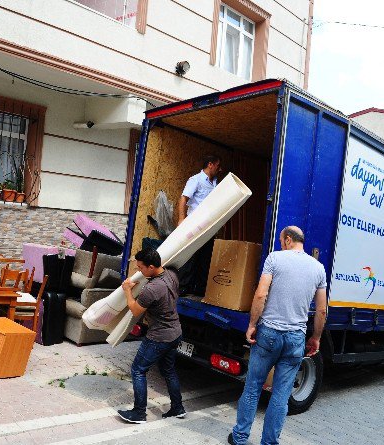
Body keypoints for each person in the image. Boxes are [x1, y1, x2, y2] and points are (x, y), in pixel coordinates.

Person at [229, 226, 328, 445]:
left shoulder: (275, 258)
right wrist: (316, 337)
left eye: (282, 240)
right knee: (281, 395)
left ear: (288, 240)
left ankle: (240, 437)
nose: (281, 244)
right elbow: (321, 310)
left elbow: (261, 293)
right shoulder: (319, 268)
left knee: (253, 386)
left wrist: (252, 324)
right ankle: (269, 442)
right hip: (295, 338)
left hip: (269, 333)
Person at [117, 248, 185, 424]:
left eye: (141, 268)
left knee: (138, 370)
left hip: (159, 337)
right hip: (175, 332)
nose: (139, 271)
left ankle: (139, 413)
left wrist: (127, 291)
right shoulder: (171, 274)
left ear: (152, 266)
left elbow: (135, 310)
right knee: (168, 371)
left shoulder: (152, 288)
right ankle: (177, 408)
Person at [177, 154, 222, 295]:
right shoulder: (195, 180)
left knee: (205, 256)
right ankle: (183, 286)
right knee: (191, 255)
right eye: (218, 166)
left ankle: (200, 288)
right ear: (210, 164)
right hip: (194, 222)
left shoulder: (215, 182)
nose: (220, 169)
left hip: (208, 224)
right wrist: (181, 219)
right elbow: (183, 199)